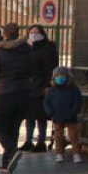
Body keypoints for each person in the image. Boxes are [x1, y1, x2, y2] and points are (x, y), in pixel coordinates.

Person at [0, 23, 37, 173]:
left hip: (5, 93)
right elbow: (33, 69)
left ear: (4, 34)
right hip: (24, 93)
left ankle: (11, 150)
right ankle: (6, 163)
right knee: (14, 127)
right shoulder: (28, 50)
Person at [22, 24, 58, 153]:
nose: (34, 35)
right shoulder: (28, 47)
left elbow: (51, 67)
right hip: (29, 86)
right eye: (31, 32)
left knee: (41, 115)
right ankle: (28, 141)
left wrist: (48, 85)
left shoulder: (48, 47)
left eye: (36, 32)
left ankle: (41, 141)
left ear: (42, 33)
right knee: (29, 115)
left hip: (41, 85)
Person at [44, 66, 84, 164]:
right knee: (58, 136)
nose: (60, 78)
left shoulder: (74, 89)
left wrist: (73, 112)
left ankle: (76, 153)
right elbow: (46, 103)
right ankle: (59, 153)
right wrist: (51, 113)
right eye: (57, 76)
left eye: (62, 76)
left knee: (73, 136)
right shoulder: (52, 90)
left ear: (67, 77)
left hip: (71, 117)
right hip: (57, 117)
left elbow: (77, 102)